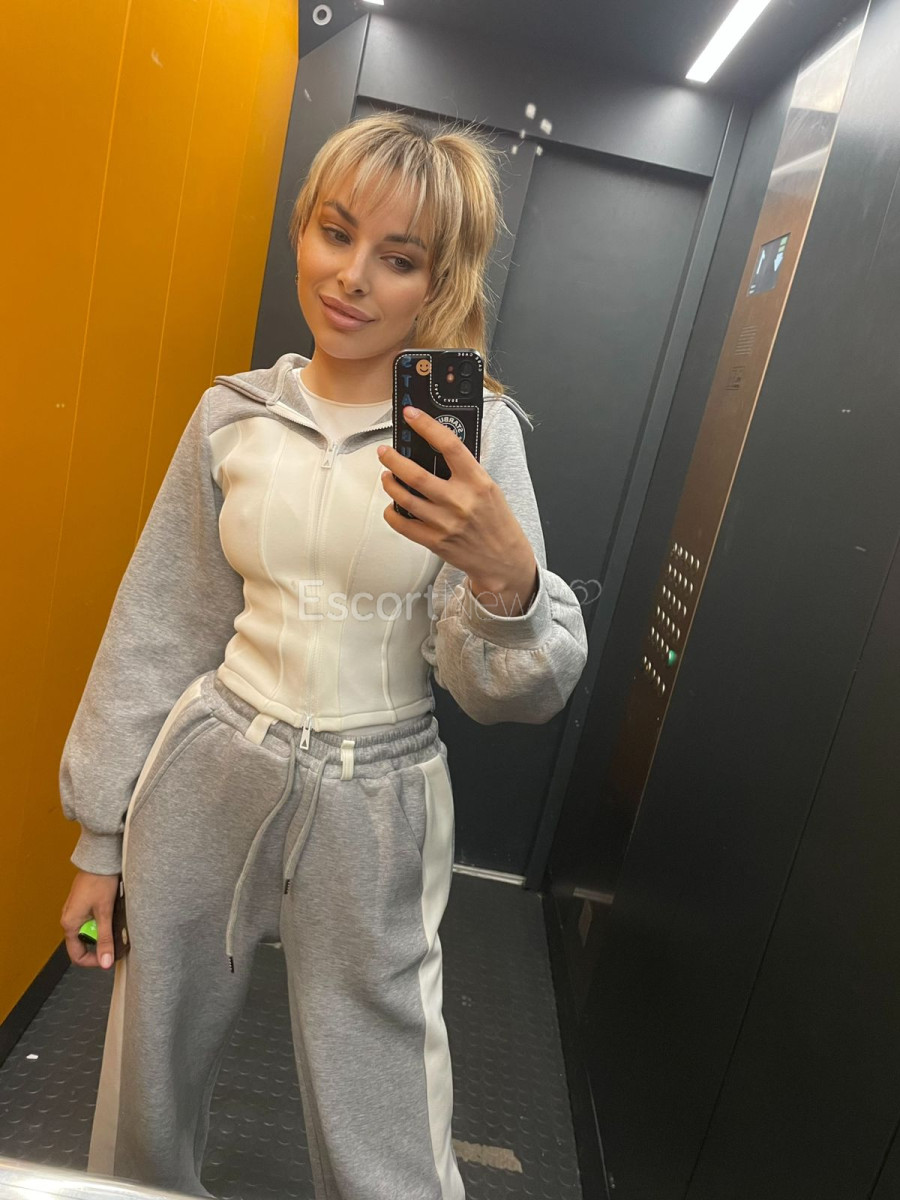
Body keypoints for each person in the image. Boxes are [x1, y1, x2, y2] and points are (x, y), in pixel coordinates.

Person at [58, 111, 589, 1200]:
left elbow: (507, 691)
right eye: (336, 233)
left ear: (437, 283)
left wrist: (509, 581)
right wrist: (99, 836)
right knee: (149, 1068)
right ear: (302, 230)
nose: (352, 277)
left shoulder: (471, 435)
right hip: (208, 765)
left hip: (378, 793)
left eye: (399, 258)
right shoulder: (232, 415)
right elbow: (160, 624)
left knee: (384, 1112)